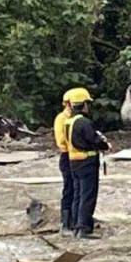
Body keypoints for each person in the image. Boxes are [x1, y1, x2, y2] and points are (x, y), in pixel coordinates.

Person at [65, 88, 111, 239]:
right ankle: (84, 228)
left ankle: (76, 226)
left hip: (74, 161)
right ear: (83, 104)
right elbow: (94, 140)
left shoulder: (68, 122)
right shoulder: (84, 122)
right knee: (87, 195)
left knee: (78, 195)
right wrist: (105, 145)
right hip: (87, 162)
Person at [54, 88, 76, 235]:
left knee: (77, 190)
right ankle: (65, 224)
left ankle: (76, 220)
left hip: (76, 156)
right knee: (69, 189)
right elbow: (61, 140)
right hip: (67, 156)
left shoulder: (76, 118)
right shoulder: (62, 119)